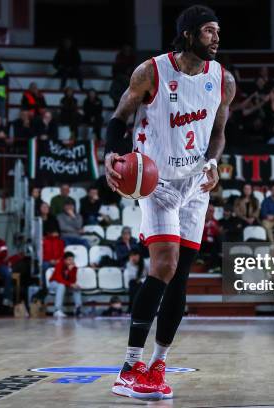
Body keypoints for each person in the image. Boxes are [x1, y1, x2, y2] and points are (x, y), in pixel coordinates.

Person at [104, 5, 235, 399]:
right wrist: (112, 153)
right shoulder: (151, 72)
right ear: (189, 34)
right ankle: (128, 367)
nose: (216, 37)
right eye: (209, 31)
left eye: (217, 31)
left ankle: (158, 364)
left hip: (195, 186)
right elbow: (119, 117)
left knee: (181, 278)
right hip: (155, 181)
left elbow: (219, 133)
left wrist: (213, 162)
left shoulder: (223, 80)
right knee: (164, 265)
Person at [49, 251, 82, 317]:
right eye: (69, 260)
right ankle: (57, 310)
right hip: (54, 283)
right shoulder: (59, 265)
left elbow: (73, 281)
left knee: (76, 287)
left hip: (65, 284)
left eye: (72, 259)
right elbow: (59, 279)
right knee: (61, 285)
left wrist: (70, 271)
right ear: (65, 260)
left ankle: (78, 308)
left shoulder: (74, 267)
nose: (71, 261)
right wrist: (70, 284)